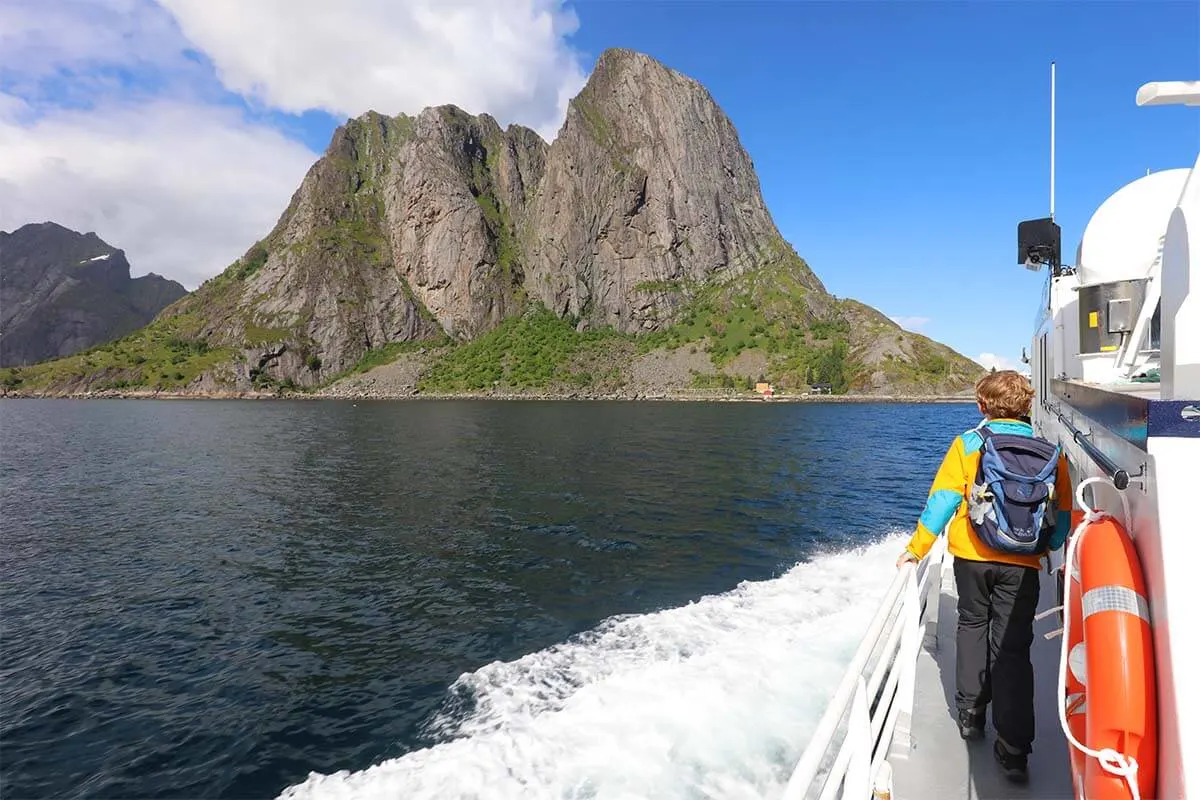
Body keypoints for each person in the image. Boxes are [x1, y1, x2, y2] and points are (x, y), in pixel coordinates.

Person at [896, 370, 1072, 783]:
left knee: (971, 625)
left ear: (982, 406)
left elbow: (941, 502)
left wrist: (915, 549)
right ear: (1028, 406)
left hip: (972, 557)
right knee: (1011, 650)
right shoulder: (1052, 451)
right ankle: (1013, 750)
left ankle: (971, 715)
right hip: (1024, 563)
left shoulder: (969, 443)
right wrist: (1045, 547)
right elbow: (1061, 516)